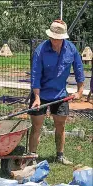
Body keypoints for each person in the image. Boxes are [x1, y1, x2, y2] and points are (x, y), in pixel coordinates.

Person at [28, 19, 85, 165]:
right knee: (37, 126)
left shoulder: (71, 50)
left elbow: (79, 70)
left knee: (61, 126)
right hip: (39, 94)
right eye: (52, 37)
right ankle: (32, 157)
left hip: (60, 95)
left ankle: (59, 156)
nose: (54, 40)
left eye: (58, 38)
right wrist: (37, 97)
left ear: (63, 37)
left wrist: (80, 90)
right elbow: (35, 75)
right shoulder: (40, 50)